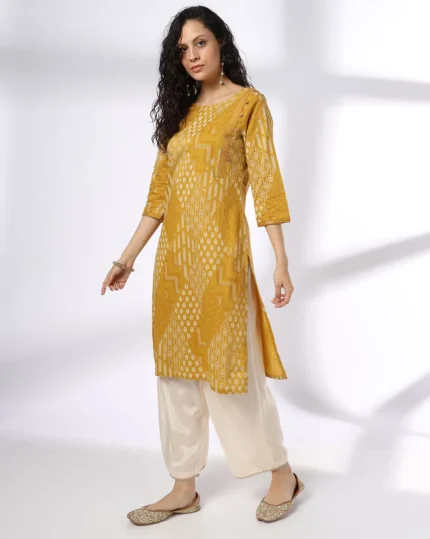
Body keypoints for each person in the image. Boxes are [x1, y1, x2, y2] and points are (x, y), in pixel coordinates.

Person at [101, 5, 304, 525]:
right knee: (176, 377)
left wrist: (281, 261)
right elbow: (158, 198)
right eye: (182, 49)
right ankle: (183, 487)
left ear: (220, 44)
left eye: (200, 43)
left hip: (222, 265)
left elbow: (267, 185)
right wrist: (126, 258)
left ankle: (281, 473)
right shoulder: (181, 117)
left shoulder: (249, 105)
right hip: (174, 267)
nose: (192, 55)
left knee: (230, 374)